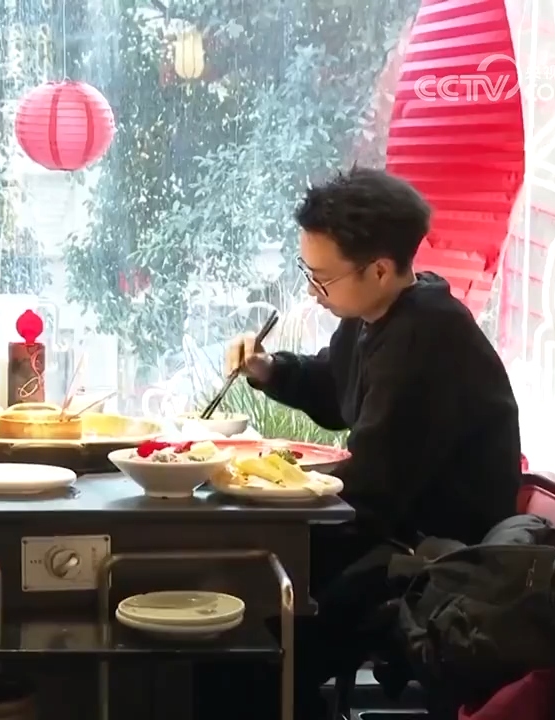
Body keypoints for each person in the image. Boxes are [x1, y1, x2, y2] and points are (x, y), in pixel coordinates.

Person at [207, 167, 522, 719]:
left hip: (436, 562)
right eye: (308, 273)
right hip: (389, 532)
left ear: (379, 269)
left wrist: (272, 498)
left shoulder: (427, 338)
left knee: (251, 640)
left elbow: (372, 491)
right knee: (243, 604)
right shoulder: (376, 315)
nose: (313, 292)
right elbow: (336, 388)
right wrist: (269, 369)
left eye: (323, 278)